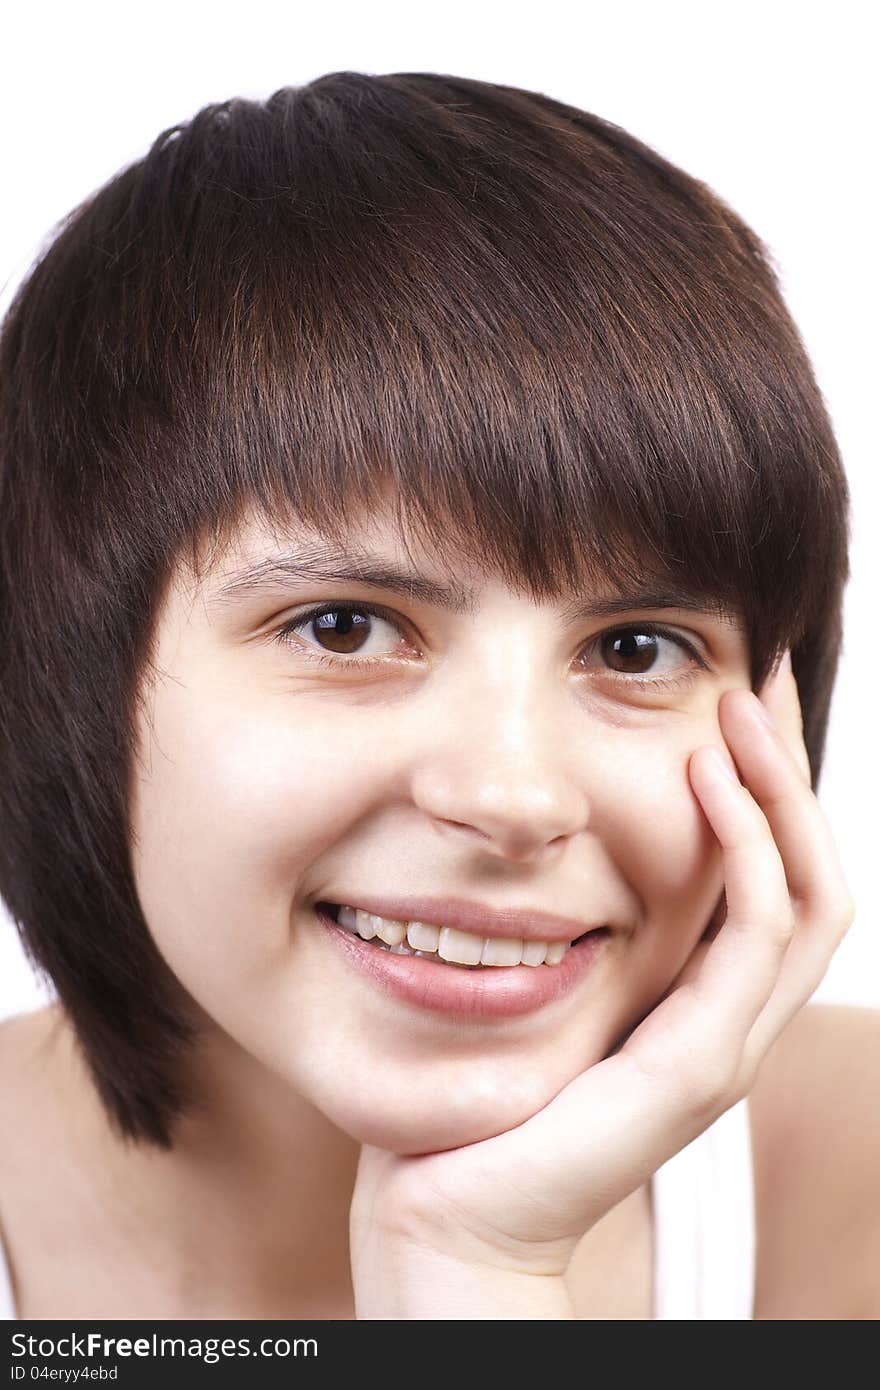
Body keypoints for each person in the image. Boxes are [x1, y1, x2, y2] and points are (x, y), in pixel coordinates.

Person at [0, 70, 872, 1322]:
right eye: (346, 627)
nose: (512, 796)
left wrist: (475, 1271)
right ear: (64, 669)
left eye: (634, 651)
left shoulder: (850, 1187)